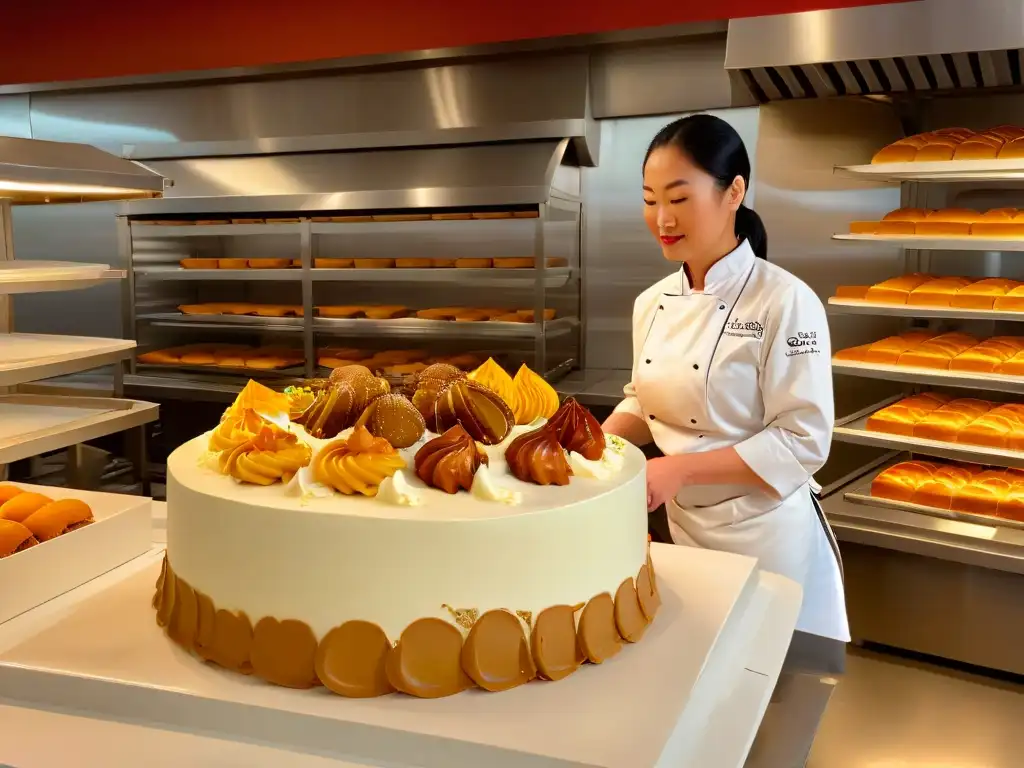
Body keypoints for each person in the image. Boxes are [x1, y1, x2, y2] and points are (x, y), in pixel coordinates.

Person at [602, 113, 850, 654]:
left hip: (765, 535)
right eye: (649, 199)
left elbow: (804, 440)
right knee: (699, 672)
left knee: (765, 682)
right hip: (687, 529)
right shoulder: (652, 302)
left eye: (679, 198)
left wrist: (679, 469)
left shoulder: (786, 301)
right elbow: (644, 398)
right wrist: (596, 445)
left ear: (734, 191)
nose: (661, 218)